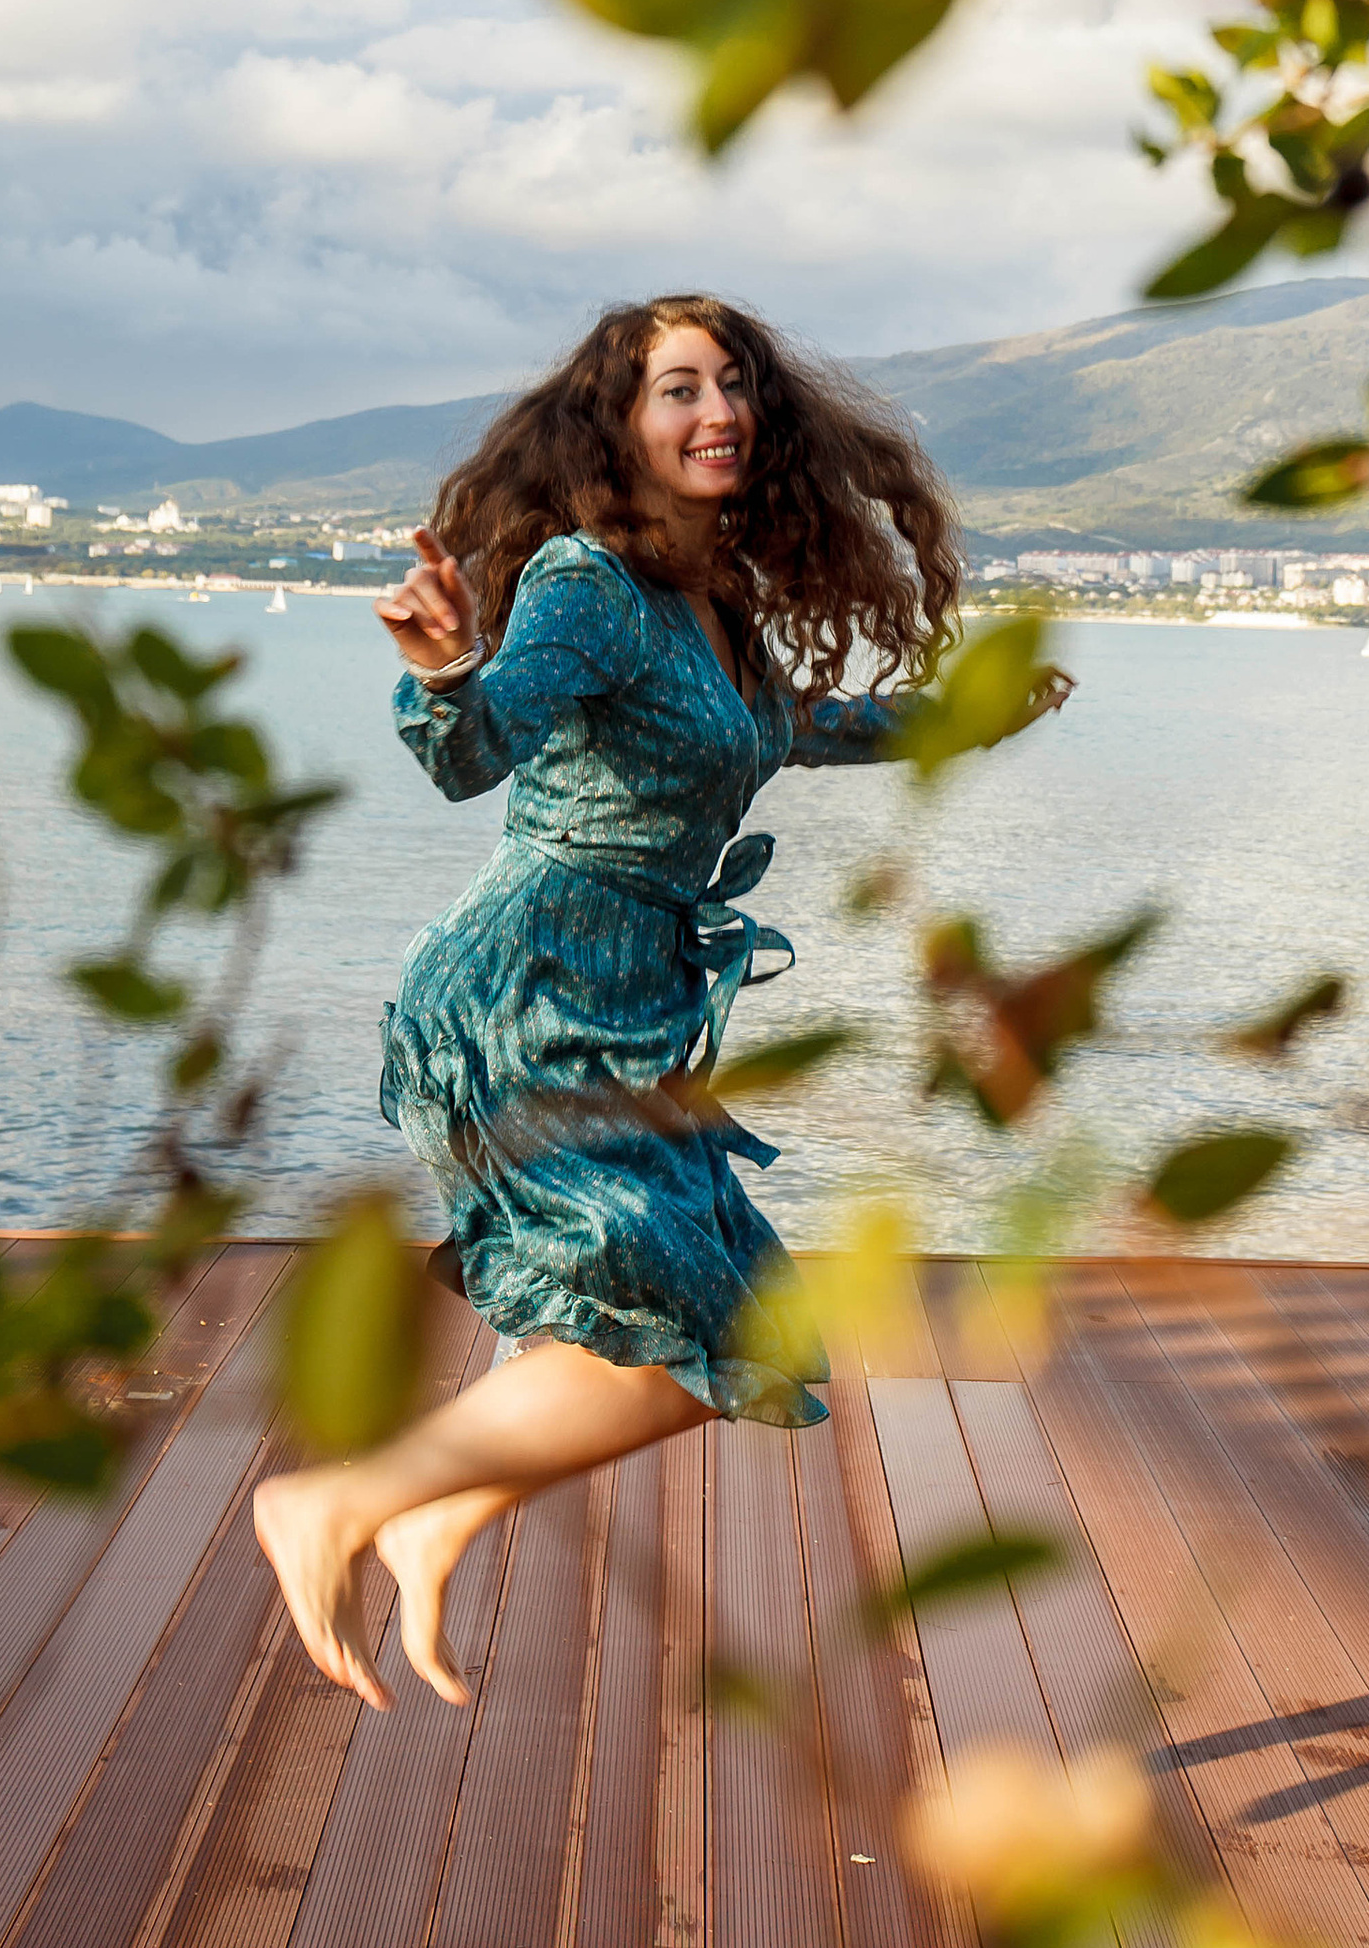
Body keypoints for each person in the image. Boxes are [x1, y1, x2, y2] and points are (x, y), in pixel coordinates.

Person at [251, 294, 1070, 1709]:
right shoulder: (583, 584)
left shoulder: (715, 603)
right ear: (617, 427)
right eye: (678, 388)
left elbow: (789, 732)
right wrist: (443, 665)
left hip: (638, 1005)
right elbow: (476, 747)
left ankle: (440, 1516)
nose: (721, 410)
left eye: (736, 383)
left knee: (729, 1327)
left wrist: (961, 716)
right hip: (525, 997)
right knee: (665, 1317)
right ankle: (333, 1504)